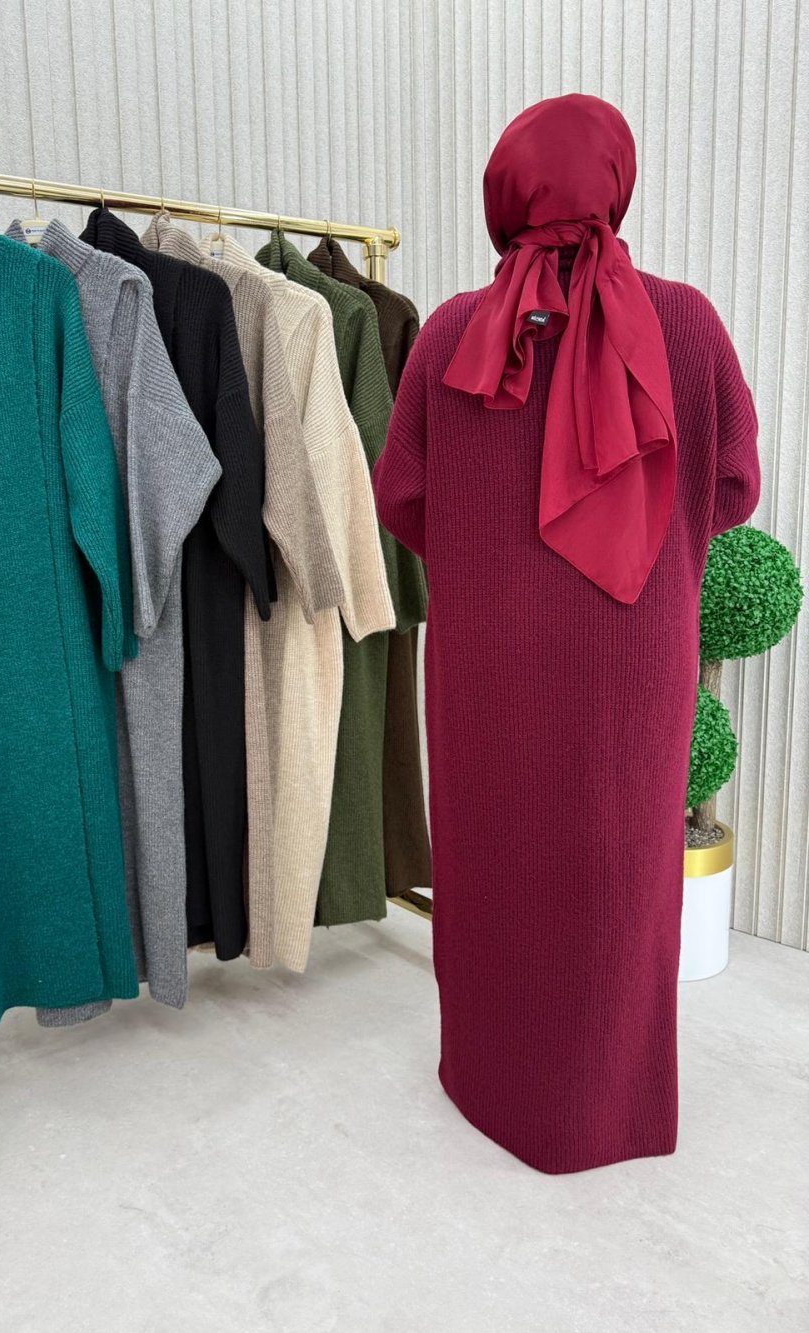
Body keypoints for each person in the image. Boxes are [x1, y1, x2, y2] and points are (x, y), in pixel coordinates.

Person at [373, 93, 760, 1173]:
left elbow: (401, 497)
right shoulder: (687, 324)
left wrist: (488, 555)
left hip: (486, 663)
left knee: (493, 856)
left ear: (504, 194)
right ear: (615, 185)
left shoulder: (450, 334)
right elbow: (734, 483)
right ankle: (605, 1105)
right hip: (633, 660)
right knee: (617, 871)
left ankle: (487, 1078)